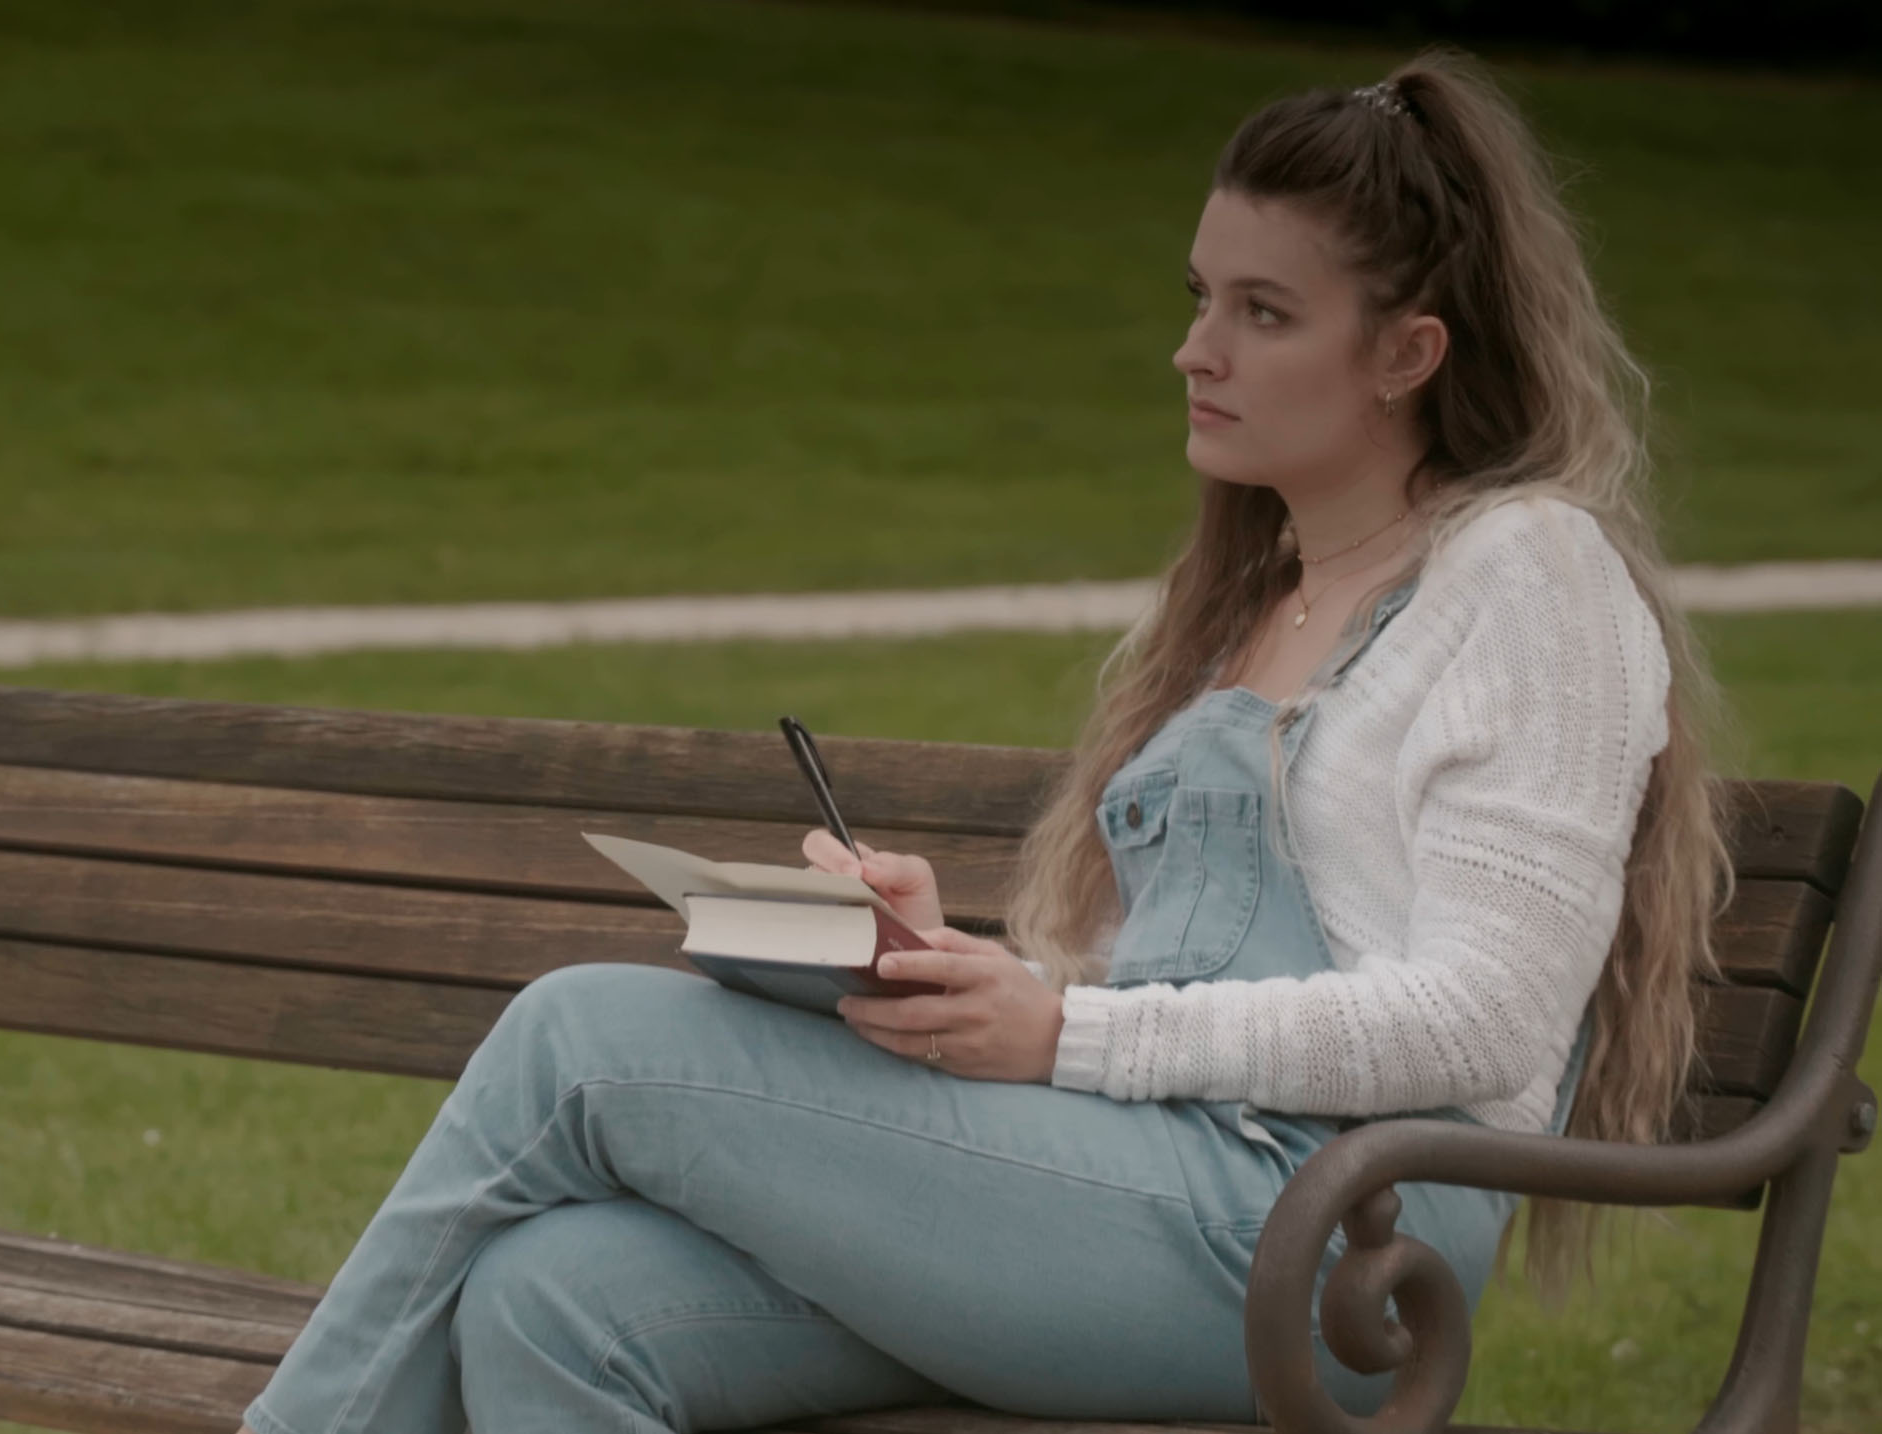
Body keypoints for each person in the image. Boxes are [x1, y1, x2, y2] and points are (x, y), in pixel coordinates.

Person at [237, 43, 1739, 1434]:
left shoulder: (1526, 576)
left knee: (577, 1037)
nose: (1195, 350)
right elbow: (1176, 994)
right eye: (1199, 296)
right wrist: (954, 966)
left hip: (1328, 1238)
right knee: (553, 1297)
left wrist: (1064, 1033)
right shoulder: (1252, 603)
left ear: (1407, 353)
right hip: (1137, 1190)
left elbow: (1486, 1020)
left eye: (1263, 313)